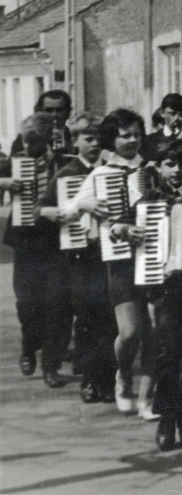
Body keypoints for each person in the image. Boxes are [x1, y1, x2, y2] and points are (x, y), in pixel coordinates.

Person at [113, 139, 182, 451]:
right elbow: (119, 227)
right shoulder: (149, 200)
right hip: (165, 290)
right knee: (168, 356)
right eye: (170, 164)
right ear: (158, 168)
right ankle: (166, 424)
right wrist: (123, 231)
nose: (177, 170)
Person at [69, 108, 159, 419]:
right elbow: (71, 208)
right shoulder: (101, 174)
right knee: (130, 332)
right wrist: (86, 203)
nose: (132, 140)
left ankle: (147, 399)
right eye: (125, 135)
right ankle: (123, 375)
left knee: (155, 331)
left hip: (155, 257)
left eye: (136, 134)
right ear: (113, 139)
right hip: (120, 260)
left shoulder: (153, 170)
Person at [37, 113, 119, 402]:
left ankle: (107, 379)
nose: (95, 144)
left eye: (98, 138)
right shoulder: (67, 172)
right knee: (86, 315)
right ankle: (89, 378)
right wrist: (66, 210)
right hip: (78, 255)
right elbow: (41, 209)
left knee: (109, 317)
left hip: (108, 252)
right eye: (88, 138)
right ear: (75, 141)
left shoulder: (112, 170)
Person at [0, 113, 72, 388]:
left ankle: (50, 366)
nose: (27, 148)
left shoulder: (62, 162)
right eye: (24, 141)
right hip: (26, 243)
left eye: (33, 142)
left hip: (55, 242)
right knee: (27, 303)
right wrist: (3, 183)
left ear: (45, 139)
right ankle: (28, 348)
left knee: (56, 304)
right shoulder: (15, 161)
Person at [11, 90, 73, 156]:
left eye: (59, 110)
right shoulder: (27, 135)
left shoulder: (68, 132)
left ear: (68, 112)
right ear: (39, 112)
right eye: (49, 110)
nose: (54, 115)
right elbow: (12, 163)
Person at [141, 93, 182, 161]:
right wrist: (178, 139)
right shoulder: (150, 140)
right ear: (162, 113)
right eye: (172, 113)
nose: (177, 118)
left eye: (181, 114)